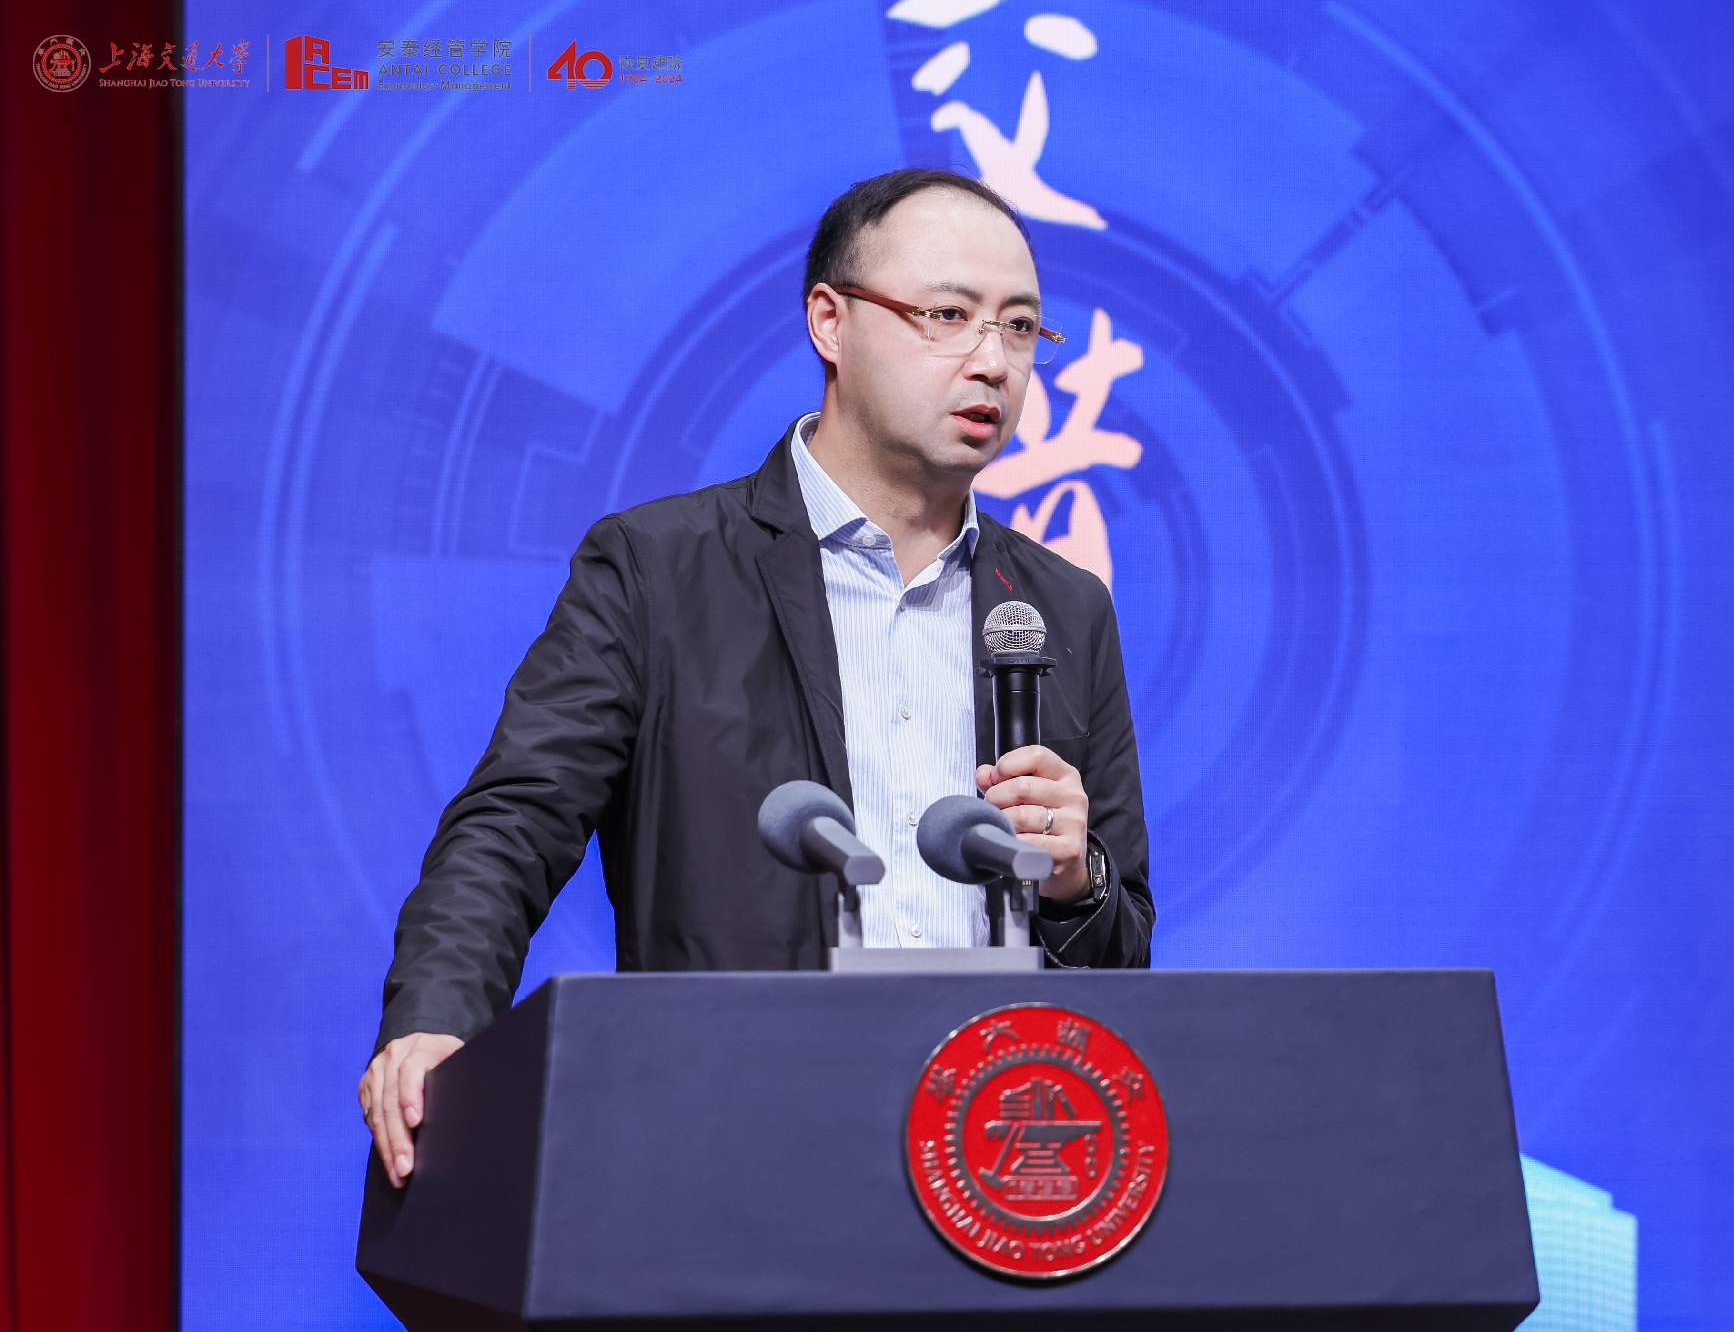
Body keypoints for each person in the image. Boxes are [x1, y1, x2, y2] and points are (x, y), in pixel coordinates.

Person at [357, 169, 1154, 1188]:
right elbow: (514, 822)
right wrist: (436, 1019)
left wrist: (1079, 883)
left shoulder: (1061, 606)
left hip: (995, 1161)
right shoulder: (660, 570)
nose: (991, 361)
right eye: (948, 316)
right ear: (829, 321)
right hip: (728, 1149)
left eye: (1020, 328)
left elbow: (1126, 955)